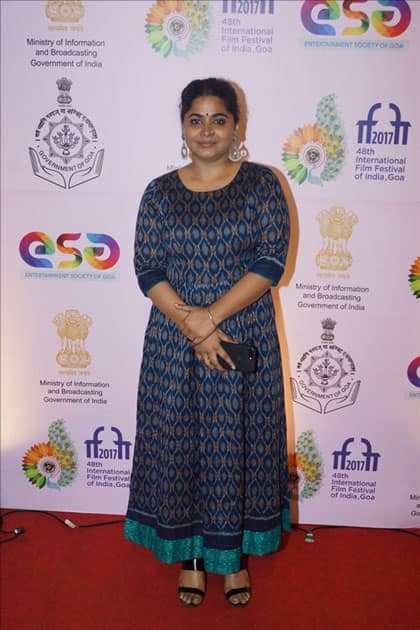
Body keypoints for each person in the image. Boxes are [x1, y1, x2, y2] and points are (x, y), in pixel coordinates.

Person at [125, 77, 291, 608]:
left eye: (218, 119)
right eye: (195, 119)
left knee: (237, 446)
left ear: (236, 126)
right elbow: (146, 266)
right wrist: (191, 324)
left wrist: (210, 320)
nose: (207, 130)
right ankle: (192, 560)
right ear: (182, 126)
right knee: (182, 448)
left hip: (241, 335)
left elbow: (270, 260)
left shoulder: (262, 184)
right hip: (173, 345)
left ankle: (234, 558)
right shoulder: (159, 192)